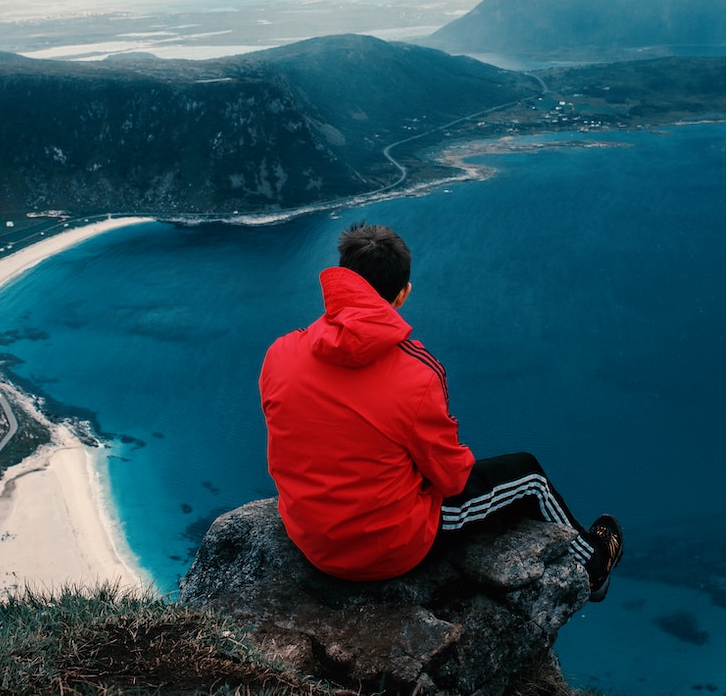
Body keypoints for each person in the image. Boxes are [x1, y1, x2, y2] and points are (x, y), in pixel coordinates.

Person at [259, 221, 623, 599]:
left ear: (341, 282)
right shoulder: (416, 374)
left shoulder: (280, 353)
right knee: (528, 476)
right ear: (402, 295)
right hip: (387, 550)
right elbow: (451, 479)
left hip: (308, 534)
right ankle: (593, 566)